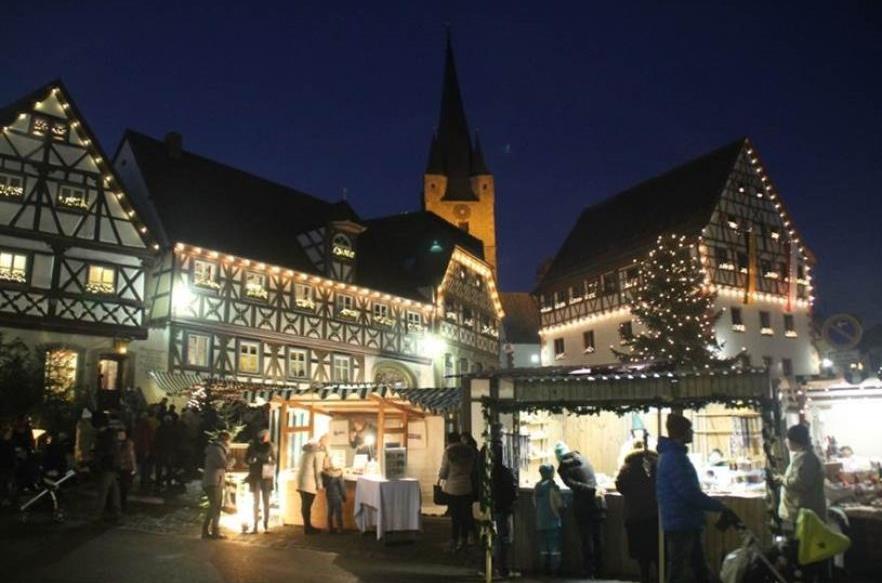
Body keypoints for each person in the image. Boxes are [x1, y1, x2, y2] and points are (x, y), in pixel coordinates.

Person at [657, 413, 736, 583]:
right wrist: (718, 506)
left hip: (682, 520)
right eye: (690, 429)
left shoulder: (672, 456)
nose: (692, 433)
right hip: (682, 522)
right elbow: (689, 493)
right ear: (682, 433)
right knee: (682, 568)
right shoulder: (675, 459)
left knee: (694, 566)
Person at [555, 441, 604, 578]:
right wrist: (594, 490)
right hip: (598, 503)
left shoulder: (564, 468)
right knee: (598, 537)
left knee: (586, 538)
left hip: (583, 505)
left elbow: (573, 485)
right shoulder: (582, 458)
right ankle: (600, 571)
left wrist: (591, 490)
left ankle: (589, 572)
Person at [615, 440, 659, 583]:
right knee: (658, 552)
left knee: (642, 555)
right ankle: (660, 577)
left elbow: (620, 486)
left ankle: (644, 578)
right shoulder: (656, 464)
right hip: (655, 515)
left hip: (635, 516)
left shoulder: (627, 467)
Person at [439, 431, 477, 551]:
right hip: (466, 486)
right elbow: (472, 469)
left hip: (453, 488)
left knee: (455, 516)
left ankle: (454, 540)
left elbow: (444, 472)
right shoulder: (469, 451)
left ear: (449, 440)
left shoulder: (449, 452)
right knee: (465, 514)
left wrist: (442, 476)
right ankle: (464, 538)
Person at [490, 442, 519, 578]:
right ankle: (502, 569)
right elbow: (510, 491)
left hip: (496, 507)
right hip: (503, 507)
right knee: (503, 538)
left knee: (498, 538)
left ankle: (496, 568)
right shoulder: (504, 472)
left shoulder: (492, 472)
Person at [534, 463, 565, 576]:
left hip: (540, 522)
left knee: (543, 548)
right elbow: (559, 503)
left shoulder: (537, 486)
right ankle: (554, 571)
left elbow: (535, 503)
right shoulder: (552, 486)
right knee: (554, 549)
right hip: (553, 521)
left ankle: (544, 569)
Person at [92, 413, 122, 522]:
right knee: (114, 489)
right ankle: (116, 511)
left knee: (103, 490)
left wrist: (97, 459)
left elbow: (103, 451)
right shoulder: (111, 434)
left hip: (107, 465)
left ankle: (97, 513)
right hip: (112, 465)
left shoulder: (104, 436)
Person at [201, 430, 231, 539]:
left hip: (215, 481)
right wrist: (232, 462)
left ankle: (210, 531)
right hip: (214, 482)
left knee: (215, 507)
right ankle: (212, 531)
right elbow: (224, 464)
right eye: (228, 441)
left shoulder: (216, 449)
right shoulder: (217, 450)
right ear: (224, 440)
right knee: (215, 507)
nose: (229, 444)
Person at [245, 429, 275, 533]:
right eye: (267, 435)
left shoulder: (270, 446)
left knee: (265, 501)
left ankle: (266, 525)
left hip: (265, 475)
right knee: (256, 502)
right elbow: (246, 459)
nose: (268, 437)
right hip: (256, 475)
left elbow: (274, 459)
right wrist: (250, 460)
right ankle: (255, 526)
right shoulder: (252, 446)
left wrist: (271, 462)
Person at [296, 435, 326, 534]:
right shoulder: (317, 453)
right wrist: (320, 485)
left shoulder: (305, 452)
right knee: (307, 505)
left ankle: (307, 526)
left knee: (305, 504)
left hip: (301, 481)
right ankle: (308, 528)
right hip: (310, 482)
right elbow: (318, 470)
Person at [322, 457, 346, 534]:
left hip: (329, 495)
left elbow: (324, 484)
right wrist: (344, 496)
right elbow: (342, 486)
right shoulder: (338, 474)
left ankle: (329, 528)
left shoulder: (325, 473)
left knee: (330, 511)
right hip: (337, 495)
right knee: (338, 512)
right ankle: (340, 529)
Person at [132, 411, 155, 490]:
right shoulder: (147, 427)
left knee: (141, 465)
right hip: (145, 448)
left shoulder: (138, 426)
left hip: (139, 448)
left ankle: (143, 480)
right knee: (146, 466)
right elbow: (148, 438)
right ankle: (145, 480)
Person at [118, 427, 137, 512]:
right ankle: (122, 505)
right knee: (123, 487)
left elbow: (131, 456)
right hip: (124, 468)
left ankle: (122, 504)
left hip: (125, 468)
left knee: (123, 487)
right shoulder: (126, 443)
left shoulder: (127, 444)